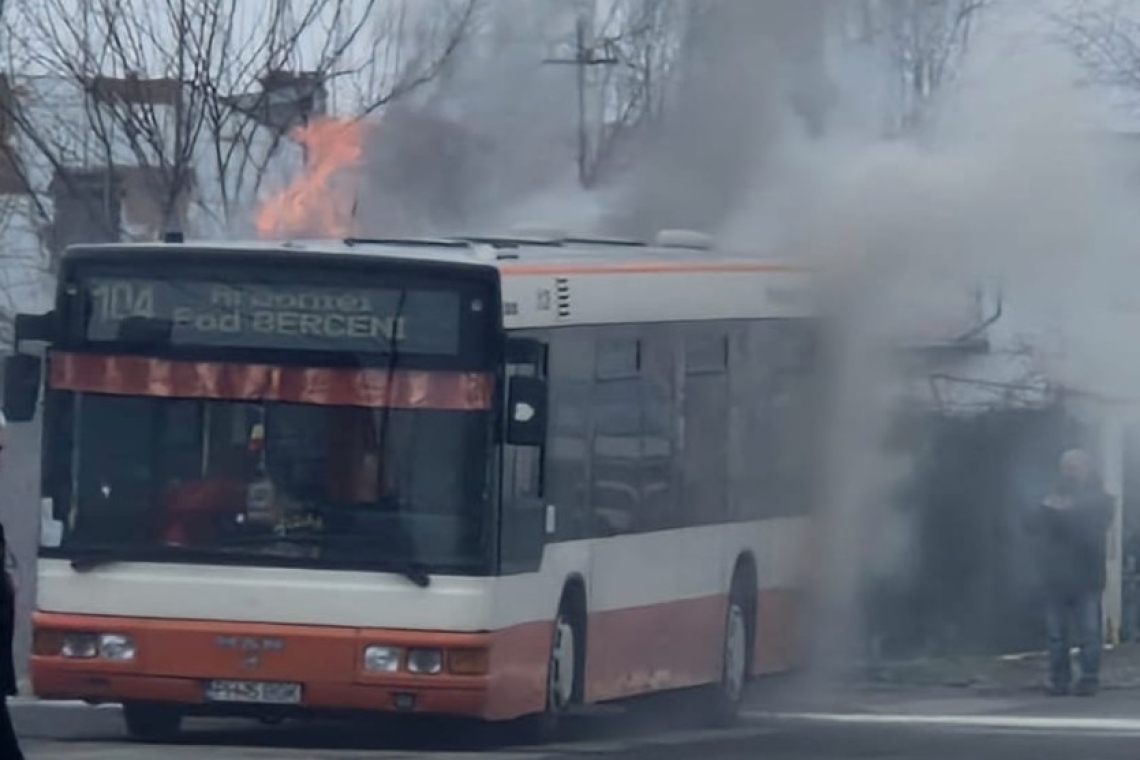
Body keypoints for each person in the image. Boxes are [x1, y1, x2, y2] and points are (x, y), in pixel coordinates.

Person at [1032, 449, 1114, 697]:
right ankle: (1060, 680)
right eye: (1066, 466)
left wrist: (1062, 513)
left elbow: (1092, 527)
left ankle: (1089, 679)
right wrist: (1060, 513)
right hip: (1056, 577)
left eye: (1075, 466)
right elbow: (1037, 526)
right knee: (1056, 635)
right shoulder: (1050, 496)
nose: (1070, 471)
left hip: (1087, 577)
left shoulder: (1101, 499)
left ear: (1087, 469)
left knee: (1089, 633)